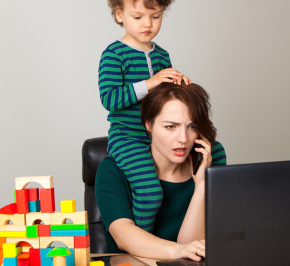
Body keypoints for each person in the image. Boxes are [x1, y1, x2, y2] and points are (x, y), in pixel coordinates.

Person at [98, 0, 194, 233]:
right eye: (138, 17)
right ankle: (143, 248)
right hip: (128, 138)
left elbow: (168, 100)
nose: (147, 24)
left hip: (161, 136)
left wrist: (179, 85)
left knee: (213, 150)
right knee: (150, 193)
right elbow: (109, 99)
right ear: (120, 14)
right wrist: (149, 84)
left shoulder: (162, 55)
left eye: (155, 16)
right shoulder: (114, 55)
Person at [95, 82, 227, 261]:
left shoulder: (209, 162)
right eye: (170, 127)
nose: (183, 139)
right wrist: (177, 251)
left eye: (192, 127)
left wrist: (202, 186)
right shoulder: (112, 170)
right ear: (148, 125)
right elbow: (123, 236)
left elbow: (192, 253)